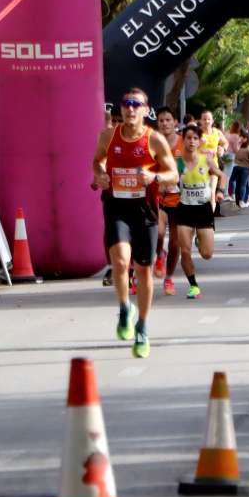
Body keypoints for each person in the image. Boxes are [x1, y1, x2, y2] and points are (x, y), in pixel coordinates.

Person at [92, 88, 178, 358]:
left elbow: (173, 174)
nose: (130, 109)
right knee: (119, 260)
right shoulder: (108, 136)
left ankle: (142, 326)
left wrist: (155, 178)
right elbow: (97, 162)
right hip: (117, 207)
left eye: (135, 105)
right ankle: (123, 307)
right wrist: (101, 174)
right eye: (126, 104)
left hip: (145, 212)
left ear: (145, 109)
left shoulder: (154, 141)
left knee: (143, 271)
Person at [173, 124, 228, 299]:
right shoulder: (177, 161)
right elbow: (168, 177)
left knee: (207, 254)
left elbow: (222, 175)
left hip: (203, 209)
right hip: (184, 209)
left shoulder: (206, 159)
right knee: (185, 251)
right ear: (183, 140)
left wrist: (220, 191)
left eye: (195, 138)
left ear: (199, 141)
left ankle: (200, 240)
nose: (191, 141)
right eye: (188, 138)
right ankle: (193, 285)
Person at [152, 108, 183, 294]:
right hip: (160, 197)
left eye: (168, 120)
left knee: (175, 243)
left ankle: (169, 278)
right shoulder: (152, 142)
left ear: (175, 122)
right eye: (161, 120)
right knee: (159, 233)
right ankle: (159, 254)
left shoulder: (183, 142)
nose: (164, 123)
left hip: (180, 199)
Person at [229, 134, 249, 208]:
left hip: (241, 167)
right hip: (241, 167)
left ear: (246, 138)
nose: (241, 139)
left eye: (243, 137)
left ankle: (239, 201)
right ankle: (239, 201)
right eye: (240, 137)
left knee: (240, 184)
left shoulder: (246, 147)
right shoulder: (246, 147)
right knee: (241, 185)